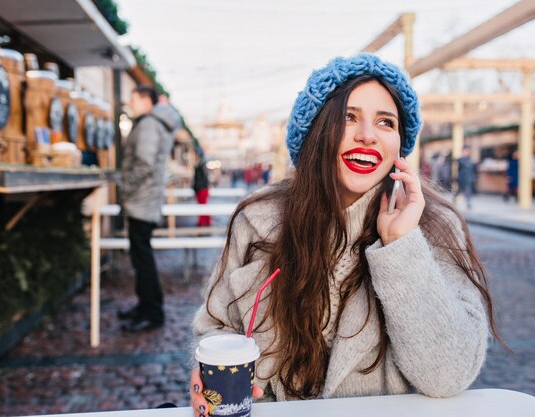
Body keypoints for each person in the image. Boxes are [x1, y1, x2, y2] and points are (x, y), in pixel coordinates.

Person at [190, 54, 501, 414]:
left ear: (399, 145)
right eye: (348, 117)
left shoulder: (435, 226)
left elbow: (448, 375)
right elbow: (217, 325)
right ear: (317, 133)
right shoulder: (258, 220)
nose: (367, 135)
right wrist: (208, 371)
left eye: (386, 122)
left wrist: (401, 245)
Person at [118, 85, 181, 332]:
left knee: (142, 259)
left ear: (146, 100)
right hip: (145, 200)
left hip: (141, 201)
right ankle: (146, 306)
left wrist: (126, 187)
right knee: (140, 257)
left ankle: (152, 311)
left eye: (132, 98)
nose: (129, 103)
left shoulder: (147, 124)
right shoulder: (154, 123)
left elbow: (143, 163)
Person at [192, 152, 211, 227]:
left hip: (201, 189)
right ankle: (206, 221)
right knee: (203, 206)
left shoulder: (200, 165)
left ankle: (202, 222)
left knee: (202, 206)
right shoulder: (202, 165)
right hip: (202, 188)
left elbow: (200, 179)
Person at [454, 145, 476, 209]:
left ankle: (468, 202)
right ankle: (455, 198)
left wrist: (473, 176)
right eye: (465, 151)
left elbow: (472, 169)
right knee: (459, 191)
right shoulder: (460, 160)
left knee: (468, 191)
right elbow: (458, 168)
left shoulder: (470, 160)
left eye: (467, 151)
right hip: (461, 178)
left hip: (468, 178)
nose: (466, 152)